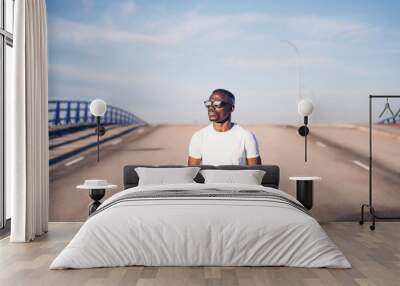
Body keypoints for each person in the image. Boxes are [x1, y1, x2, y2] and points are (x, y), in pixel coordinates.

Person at [188, 89, 262, 166]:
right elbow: (191, 174)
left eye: (217, 104)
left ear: (231, 108)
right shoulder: (199, 136)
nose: (211, 108)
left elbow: (256, 173)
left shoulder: (246, 136)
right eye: (208, 104)